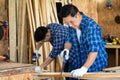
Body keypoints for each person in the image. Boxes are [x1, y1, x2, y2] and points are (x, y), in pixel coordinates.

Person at [59, 4, 108, 78]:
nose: (70, 25)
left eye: (71, 22)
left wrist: (84, 68)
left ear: (77, 15)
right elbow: (69, 39)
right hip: (81, 62)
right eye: (67, 23)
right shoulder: (72, 25)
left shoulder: (91, 26)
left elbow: (94, 50)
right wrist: (66, 49)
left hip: (95, 65)